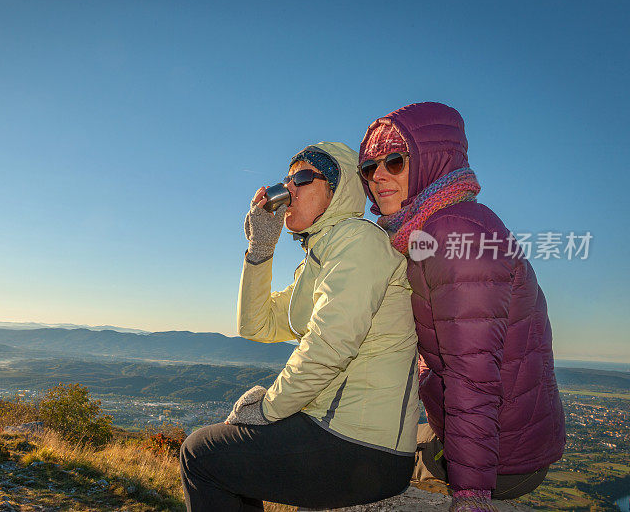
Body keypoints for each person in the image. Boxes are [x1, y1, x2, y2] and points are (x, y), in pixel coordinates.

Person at [179, 141, 420, 511]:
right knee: (223, 451)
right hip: (337, 432)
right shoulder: (318, 260)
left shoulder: (358, 241)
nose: (287, 189)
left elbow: (329, 347)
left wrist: (268, 409)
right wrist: (261, 249)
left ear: (337, 190)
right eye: (286, 180)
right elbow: (256, 325)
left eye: (302, 178)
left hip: (364, 447)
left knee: (201, 454)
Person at [358, 102, 566, 512]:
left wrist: (470, 495)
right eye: (369, 167)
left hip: (502, 461)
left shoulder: (459, 234)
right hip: (499, 438)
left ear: (430, 162)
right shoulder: (430, 230)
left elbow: (474, 376)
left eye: (395, 161)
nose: (378, 175)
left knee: (358, 462)